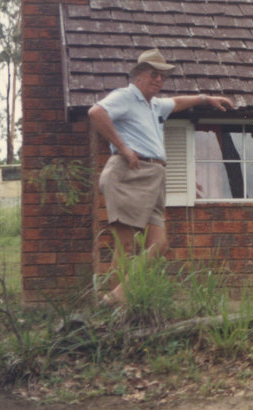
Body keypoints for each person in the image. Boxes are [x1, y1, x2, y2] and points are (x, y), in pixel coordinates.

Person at [88, 48, 234, 306]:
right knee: (126, 246)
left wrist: (205, 98)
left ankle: (117, 296)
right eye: (154, 75)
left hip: (154, 176)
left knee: (160, 244)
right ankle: (117, 307)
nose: (159, 80)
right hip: (129, 173)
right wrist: (123, 147)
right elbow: (95, 113)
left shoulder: (153, 104)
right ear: (139, 76)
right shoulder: (125, 96)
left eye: (162, 77)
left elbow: (177, 102)